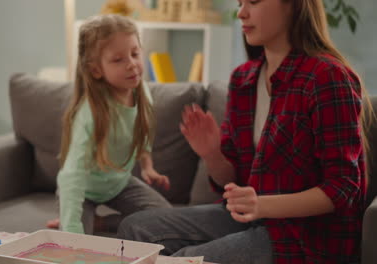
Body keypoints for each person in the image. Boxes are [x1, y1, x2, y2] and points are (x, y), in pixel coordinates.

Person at [117, 0, 371, 263]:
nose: (241, 13)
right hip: (254, 219)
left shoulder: (327, 77)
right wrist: (212, 154)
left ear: (294, 6)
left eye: (253, 2)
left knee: (186, 259)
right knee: (135, 228)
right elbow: (236, 178)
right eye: (239, 4)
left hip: (306, 235)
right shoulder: (243, 79)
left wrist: (262, 205)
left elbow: (343, 188)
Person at [46, 14, 171, 234]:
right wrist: (72, 229)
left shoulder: (142, 93)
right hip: (82, 190)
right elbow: (72, 175)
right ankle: (75, 222)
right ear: (96, 70)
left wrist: (147, 166)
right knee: (75, 231)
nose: (132, 64)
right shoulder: (89, 114)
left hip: (120, 185)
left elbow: (141, 130)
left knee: (169, 220)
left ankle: (100, 224)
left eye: (135, 54)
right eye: (118, 59)